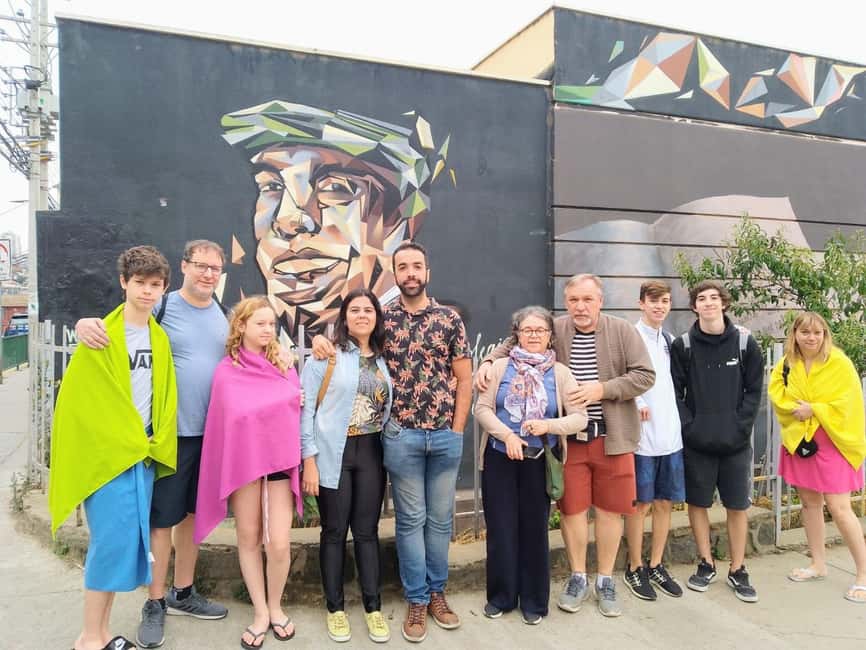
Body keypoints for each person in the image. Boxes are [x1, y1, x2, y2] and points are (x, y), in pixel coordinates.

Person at [312, 241, 472, 643]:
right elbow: (351, 345)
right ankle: (416, 599)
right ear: (395, 273)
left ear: (427, 271)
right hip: (400, 437)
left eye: (417, 265)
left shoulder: (449, 319)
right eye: (403, 267)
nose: (411, 273)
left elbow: (465, 377)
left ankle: (437, 594)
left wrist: (457, 430)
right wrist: (320, 341)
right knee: (411, 521)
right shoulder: (386, 320)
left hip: (445, 435)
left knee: (441, 521)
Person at [75, 240, 230, 649]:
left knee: (192, 516)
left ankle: (183, 592)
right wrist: (83, 324)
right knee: (161, 521)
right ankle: (155, 601)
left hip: (209, 435)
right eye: (200, 265)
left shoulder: (223, 313)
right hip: (166, 439)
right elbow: (113, 328)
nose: (208, 273)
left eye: (215, 268)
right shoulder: (162, 307)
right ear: (185, 267)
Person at [476, 273, 655, 618]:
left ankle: (605, 580)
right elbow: (511, 343)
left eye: (587, 299)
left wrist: (603, 389)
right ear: (566, 302)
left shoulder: (621, 331)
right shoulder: (556, 327)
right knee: (572, 509)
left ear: (600, 300)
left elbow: (645, 375)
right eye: (573, 300)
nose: (580, 306)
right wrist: (486, 362)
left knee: (609, 510)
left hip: (612, 435)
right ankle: (577, 577)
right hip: (569, 443)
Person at [221, 100, 451, 344]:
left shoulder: (413, 337)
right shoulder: (252, 350)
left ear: (401, 222)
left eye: (335, 188)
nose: (287, 220)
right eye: (272, 187)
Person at [50, 246, 177, 650]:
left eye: (155, 284)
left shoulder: (159, 338)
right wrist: (80, 324)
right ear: (124, 282)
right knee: (108, 545)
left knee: (121, 544)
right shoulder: (101, 334)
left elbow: (162, 399)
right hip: (109, 457)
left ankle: (102, 632)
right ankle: (89, 637)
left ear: (164, 288)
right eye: (139, 282)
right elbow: (78, 402)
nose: (147, 291)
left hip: (141, 455)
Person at [193, 296, 302, 648]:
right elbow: (227, 422)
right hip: (244, 464)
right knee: (249, 538)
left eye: (272, 324)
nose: (269, 330)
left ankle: (276, 606)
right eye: (260, 323)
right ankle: (260, 612)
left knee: (279, 543)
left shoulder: (284, 364)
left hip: (279, 463)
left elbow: (296, 406)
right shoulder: (227, 372)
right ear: (241, 326)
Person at [475, 305, 587, 625]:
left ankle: (534, 602)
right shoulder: (499, 368)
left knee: (534, 531)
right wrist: (507, 435)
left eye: (540, 330)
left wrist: (548, 426)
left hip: (539, 462)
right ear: (517, 335)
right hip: (500, 457)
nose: (534, 335)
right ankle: (501, 597)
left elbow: (580, 417)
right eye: (527, 330)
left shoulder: (561, 373)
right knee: (501, 529)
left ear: (550, 336)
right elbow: (482, 409)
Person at [300, 288, 393, 644]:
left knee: (367, 532)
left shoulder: (383, 358)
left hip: (371, 452)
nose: (362, 316)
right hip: (333, 452)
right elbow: (306, 411)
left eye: (368, 310)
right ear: (344, 317)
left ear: (377, 317)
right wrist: (309, 459)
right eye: (354, 310)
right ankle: (335, 609)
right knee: (334, 531)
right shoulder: (326, 356)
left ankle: (373, 607)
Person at [670, 279, 764, 603]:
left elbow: (754, 390)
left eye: (714, 298)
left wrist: (740, 427)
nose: (708, 303)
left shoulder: (744, 342)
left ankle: (738, 569)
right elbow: (675, 392)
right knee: (698, 504)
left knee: (737, 506)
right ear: (694, 306)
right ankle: (706, 563)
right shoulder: (683, 345)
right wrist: (690, 428)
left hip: (735, 444)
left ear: (724, 303)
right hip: (698, 443)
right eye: (701, 299)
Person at [768, 311, 866, 603]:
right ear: (795, 335)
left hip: (833, 439)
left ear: (825, 335)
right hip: (801, 440)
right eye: (805, 332)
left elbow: (849, 402)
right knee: (810, 503)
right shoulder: (787, 363)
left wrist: (814, 409)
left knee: (840, 508)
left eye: (817, 333)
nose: (811, 338)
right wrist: (798, 411)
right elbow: (777, 394)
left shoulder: (839, 362)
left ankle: (863, 575)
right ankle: (818, 563)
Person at [623, 281, 685, 601]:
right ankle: (634, 566)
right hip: (643, 438)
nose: (659, 306)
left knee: (664, 503)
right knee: (640, 504)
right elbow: (620, 376)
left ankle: (656, 564)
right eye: (653, 300)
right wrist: (636, 402)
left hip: (670, 435)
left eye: (665, 301)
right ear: (641, 303)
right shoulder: (630, 337)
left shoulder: (669, 340)